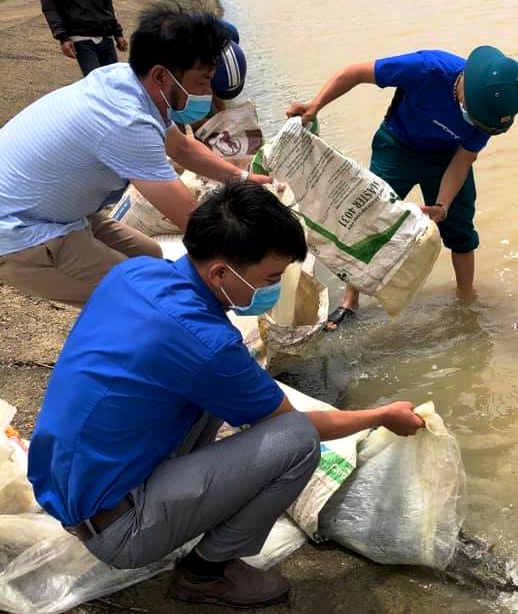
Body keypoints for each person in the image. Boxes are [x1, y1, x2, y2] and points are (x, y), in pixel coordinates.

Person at [28, 181, 424, 608]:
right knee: (297, 441)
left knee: (225, 390)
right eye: (270, 278)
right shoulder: (206, 342)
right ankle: (205, 574)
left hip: (64, 489)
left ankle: (159, 514)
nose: (273, 288)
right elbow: (294, 424)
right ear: (220, 273)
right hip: (120, 531)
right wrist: (381, 416)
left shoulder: (136, 272)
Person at [0, 4, 275, 307]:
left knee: (152, 256)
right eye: (203, 81)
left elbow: (182, 148)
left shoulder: (129, 80)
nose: (208, 94)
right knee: (144, 298)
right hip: (22, 234)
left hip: (56, 211)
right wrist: (259, 262)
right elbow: (194, 222)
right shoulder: (127, 122)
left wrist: (243, 178)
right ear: (161, 75)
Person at [287, 46, 518, 330]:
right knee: (368, 221)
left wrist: (442, 205)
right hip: (397, 146)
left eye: (480, 123)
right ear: (466, 87)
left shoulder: (489, 115)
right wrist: (315, 105)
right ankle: (351, 300)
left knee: (460, 230)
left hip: (446, 159)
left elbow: (463, 161)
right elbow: (354, 73)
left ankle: (466, 299)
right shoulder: (427, 68)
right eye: (472, 116)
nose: (474, 124)